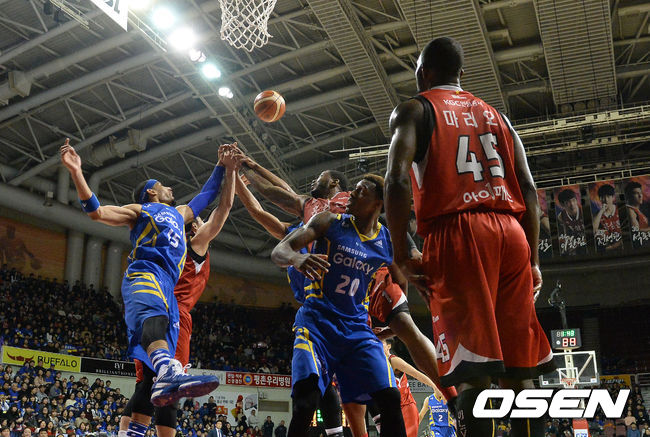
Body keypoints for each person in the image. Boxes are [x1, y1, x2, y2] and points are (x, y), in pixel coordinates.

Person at [384, 37, 554, 437]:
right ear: (462, 73)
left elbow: (396, 180)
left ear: (423, 73)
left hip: (458, 233)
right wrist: (533, 261)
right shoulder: (499, 117)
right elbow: (529, 190)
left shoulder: (416, 109)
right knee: (519, 371)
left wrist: (400, 253)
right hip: (511, 233)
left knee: (470, 372)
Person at [60, 139, 222, 437]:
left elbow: (208, 193)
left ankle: (154, 394)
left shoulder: (181, 214)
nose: (169, 188)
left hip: (168, 284)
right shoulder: (140, 209)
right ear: (151, 191)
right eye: (163, 185)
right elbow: (96, 211)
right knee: (153, 321)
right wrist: (76, 172)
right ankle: (168, 371)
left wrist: (222, 166)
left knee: (148, 378)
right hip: (145, 272)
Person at [271, 174, 407, 437]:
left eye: (360, 191)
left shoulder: (385, 240)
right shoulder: (328, 221)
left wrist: (394, 322)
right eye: (353, 189)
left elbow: (401, 282)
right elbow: (279, 251)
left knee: (390, 397)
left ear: (378, 203)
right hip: (317, 324)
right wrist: (297, 259)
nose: (352, 194)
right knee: (306, 402)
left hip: (356, 328)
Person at [119, 146, 237, 437]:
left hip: (149, 305)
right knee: (169, 387)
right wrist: (230, 173)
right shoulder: (194, 244)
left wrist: (228, 174)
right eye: (197, 222)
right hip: (173, 313)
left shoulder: (168, 243)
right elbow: (222, 210)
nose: (200, 222)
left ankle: (126, 433)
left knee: (147, 382)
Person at [556, 189, 587, 255]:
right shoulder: (561, 216)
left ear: (576, 200)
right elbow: (565, 234)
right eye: (568, 202)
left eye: (573, 200)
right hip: (575, 242)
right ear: (562, 204)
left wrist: (577, 244)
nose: (572, 204)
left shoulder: (584, 212)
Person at [593, 184, 622, 252]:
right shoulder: (598, 215)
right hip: (607, 247)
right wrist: (601, 211)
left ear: (613, 197)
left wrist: (614, 246)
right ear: (600, 199)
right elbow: (594, 230)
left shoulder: (619, 209)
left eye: (608, 197)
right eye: (603, 197)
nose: (606, 200)